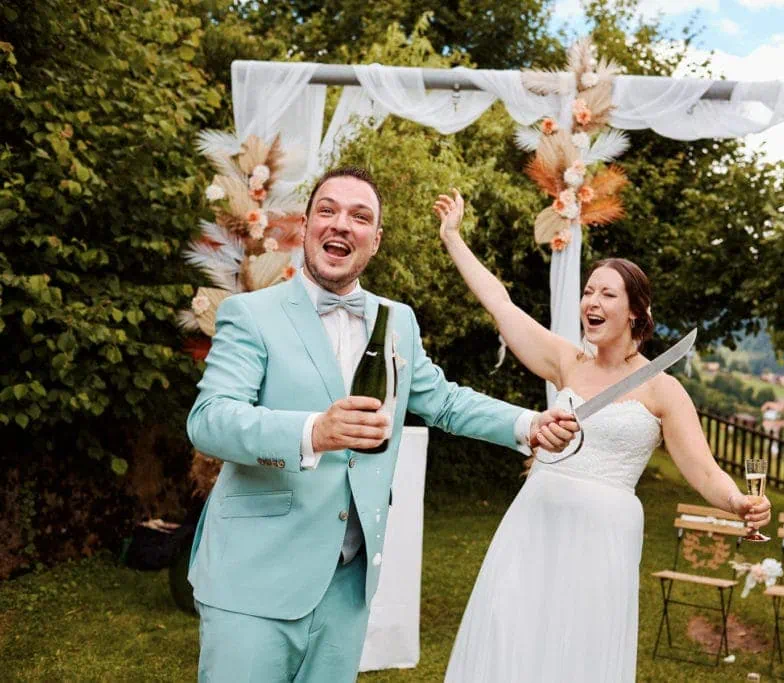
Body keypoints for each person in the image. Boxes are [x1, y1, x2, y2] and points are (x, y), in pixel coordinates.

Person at [185, 167, 579, 683]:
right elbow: (211, 421)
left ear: (376, 240)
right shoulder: (250, 314)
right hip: (253, 579)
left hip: (347, 585)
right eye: (327, 210)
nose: (341, 224)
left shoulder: (398, 321)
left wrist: (527, 423)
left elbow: (442, 401)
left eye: (360, 216)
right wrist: (313, 432)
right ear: (304, 226)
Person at [435, 189, 771, 683]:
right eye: (588, 292)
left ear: (635, 311)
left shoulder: (664, 390)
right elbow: (500, 305)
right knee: (513, 634)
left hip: (602, 541)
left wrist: (738, 502)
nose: (591, 302)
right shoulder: (566, 362)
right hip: (534, 523)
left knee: (579, 652)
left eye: (606, 294)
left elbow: (701, 469)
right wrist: (453, 238)